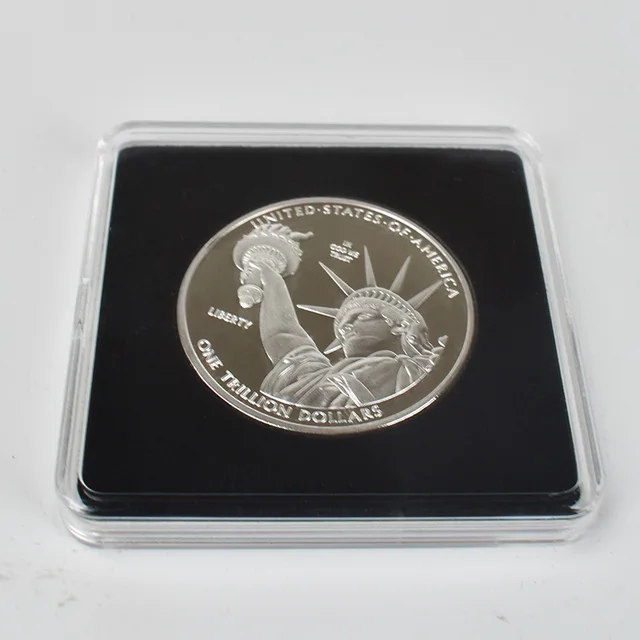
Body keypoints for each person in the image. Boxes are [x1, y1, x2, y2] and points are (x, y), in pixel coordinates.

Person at [251, 229, 446, 408]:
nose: (345, 328)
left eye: (361, 316)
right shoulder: (314, 378)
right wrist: (271, 275)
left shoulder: (424, 370)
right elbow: (284, 335)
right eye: (342, 328)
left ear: (400, 325)